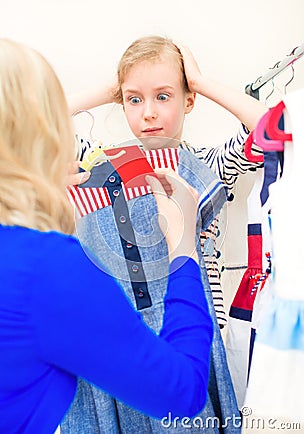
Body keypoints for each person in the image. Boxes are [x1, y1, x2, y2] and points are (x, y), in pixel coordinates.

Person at [0, 38, 216, 434]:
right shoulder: (48, 270)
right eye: (132, 100)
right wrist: (183, 245)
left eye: (162, 96)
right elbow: (181, 393)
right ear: (41, 127)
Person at [62, 36, 267, 434]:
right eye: (134, 100)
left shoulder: (208, 163)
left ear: (188, 101)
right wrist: (110, 90)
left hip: (192, 335)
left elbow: (273, 128)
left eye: (164, 96)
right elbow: (21, 123)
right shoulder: (95, 163)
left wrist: (201, 83)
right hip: (119, 344)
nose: (148, 113)